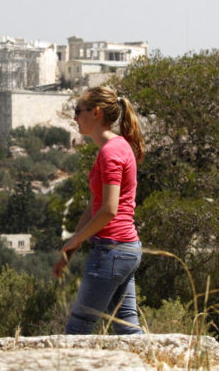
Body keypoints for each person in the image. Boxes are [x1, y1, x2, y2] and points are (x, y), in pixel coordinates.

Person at [53, 86, 146, 335]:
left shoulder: (111, 152)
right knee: (127, 327)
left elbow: (108, 210)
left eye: (78, 111)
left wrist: (76, 239)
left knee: (78, 328)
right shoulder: (115, 147)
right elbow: (95, 205)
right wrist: (70, 249)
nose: (75, 118)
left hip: (112, 250)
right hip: (124, 250)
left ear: (95, 113)